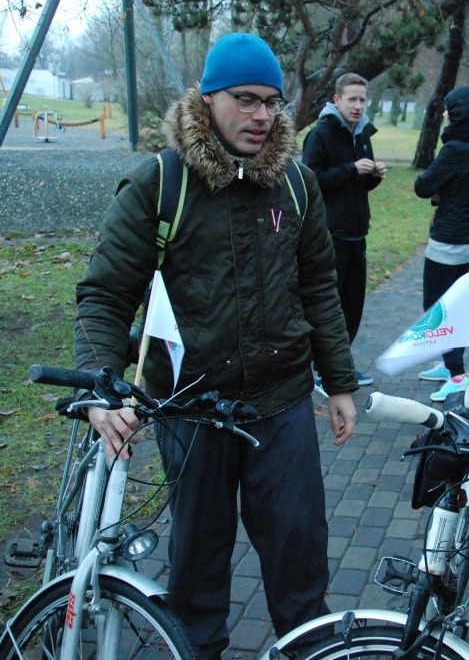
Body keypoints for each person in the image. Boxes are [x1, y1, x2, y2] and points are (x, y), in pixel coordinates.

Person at [73, 33, 358, 659]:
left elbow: (319, 286)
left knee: (299, 555)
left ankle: (309, 649)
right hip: (191, 410)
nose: (261, 116)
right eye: (245, 100)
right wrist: (99, 386)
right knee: (198, 566)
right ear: (208, 99)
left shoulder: (297, 184)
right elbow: (106, 293)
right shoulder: (160, 183)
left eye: (272, 103)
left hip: (282, 405)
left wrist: (339, 382)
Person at [302, 72, 386, 389]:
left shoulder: (362, 133)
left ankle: (340, 366)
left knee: (352, 304)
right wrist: (351, 169)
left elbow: (359, 186)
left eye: (363, 99)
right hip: (329, 235)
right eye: (352, 99)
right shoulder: (320, 134)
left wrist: (373, 175)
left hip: (357, 233)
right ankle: (321, 370)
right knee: (329, 306)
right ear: (336, 100)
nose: (358, 106)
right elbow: (311, 181)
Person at [414, 86, 469, 402]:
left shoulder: (456, 149)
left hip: (448, 240)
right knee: (453, 304)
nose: (445, 113)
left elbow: (422, 186)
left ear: (459, 113)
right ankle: (447, 366)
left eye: (449, 108)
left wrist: (438, 190)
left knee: (437, 309)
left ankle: (457, 374)